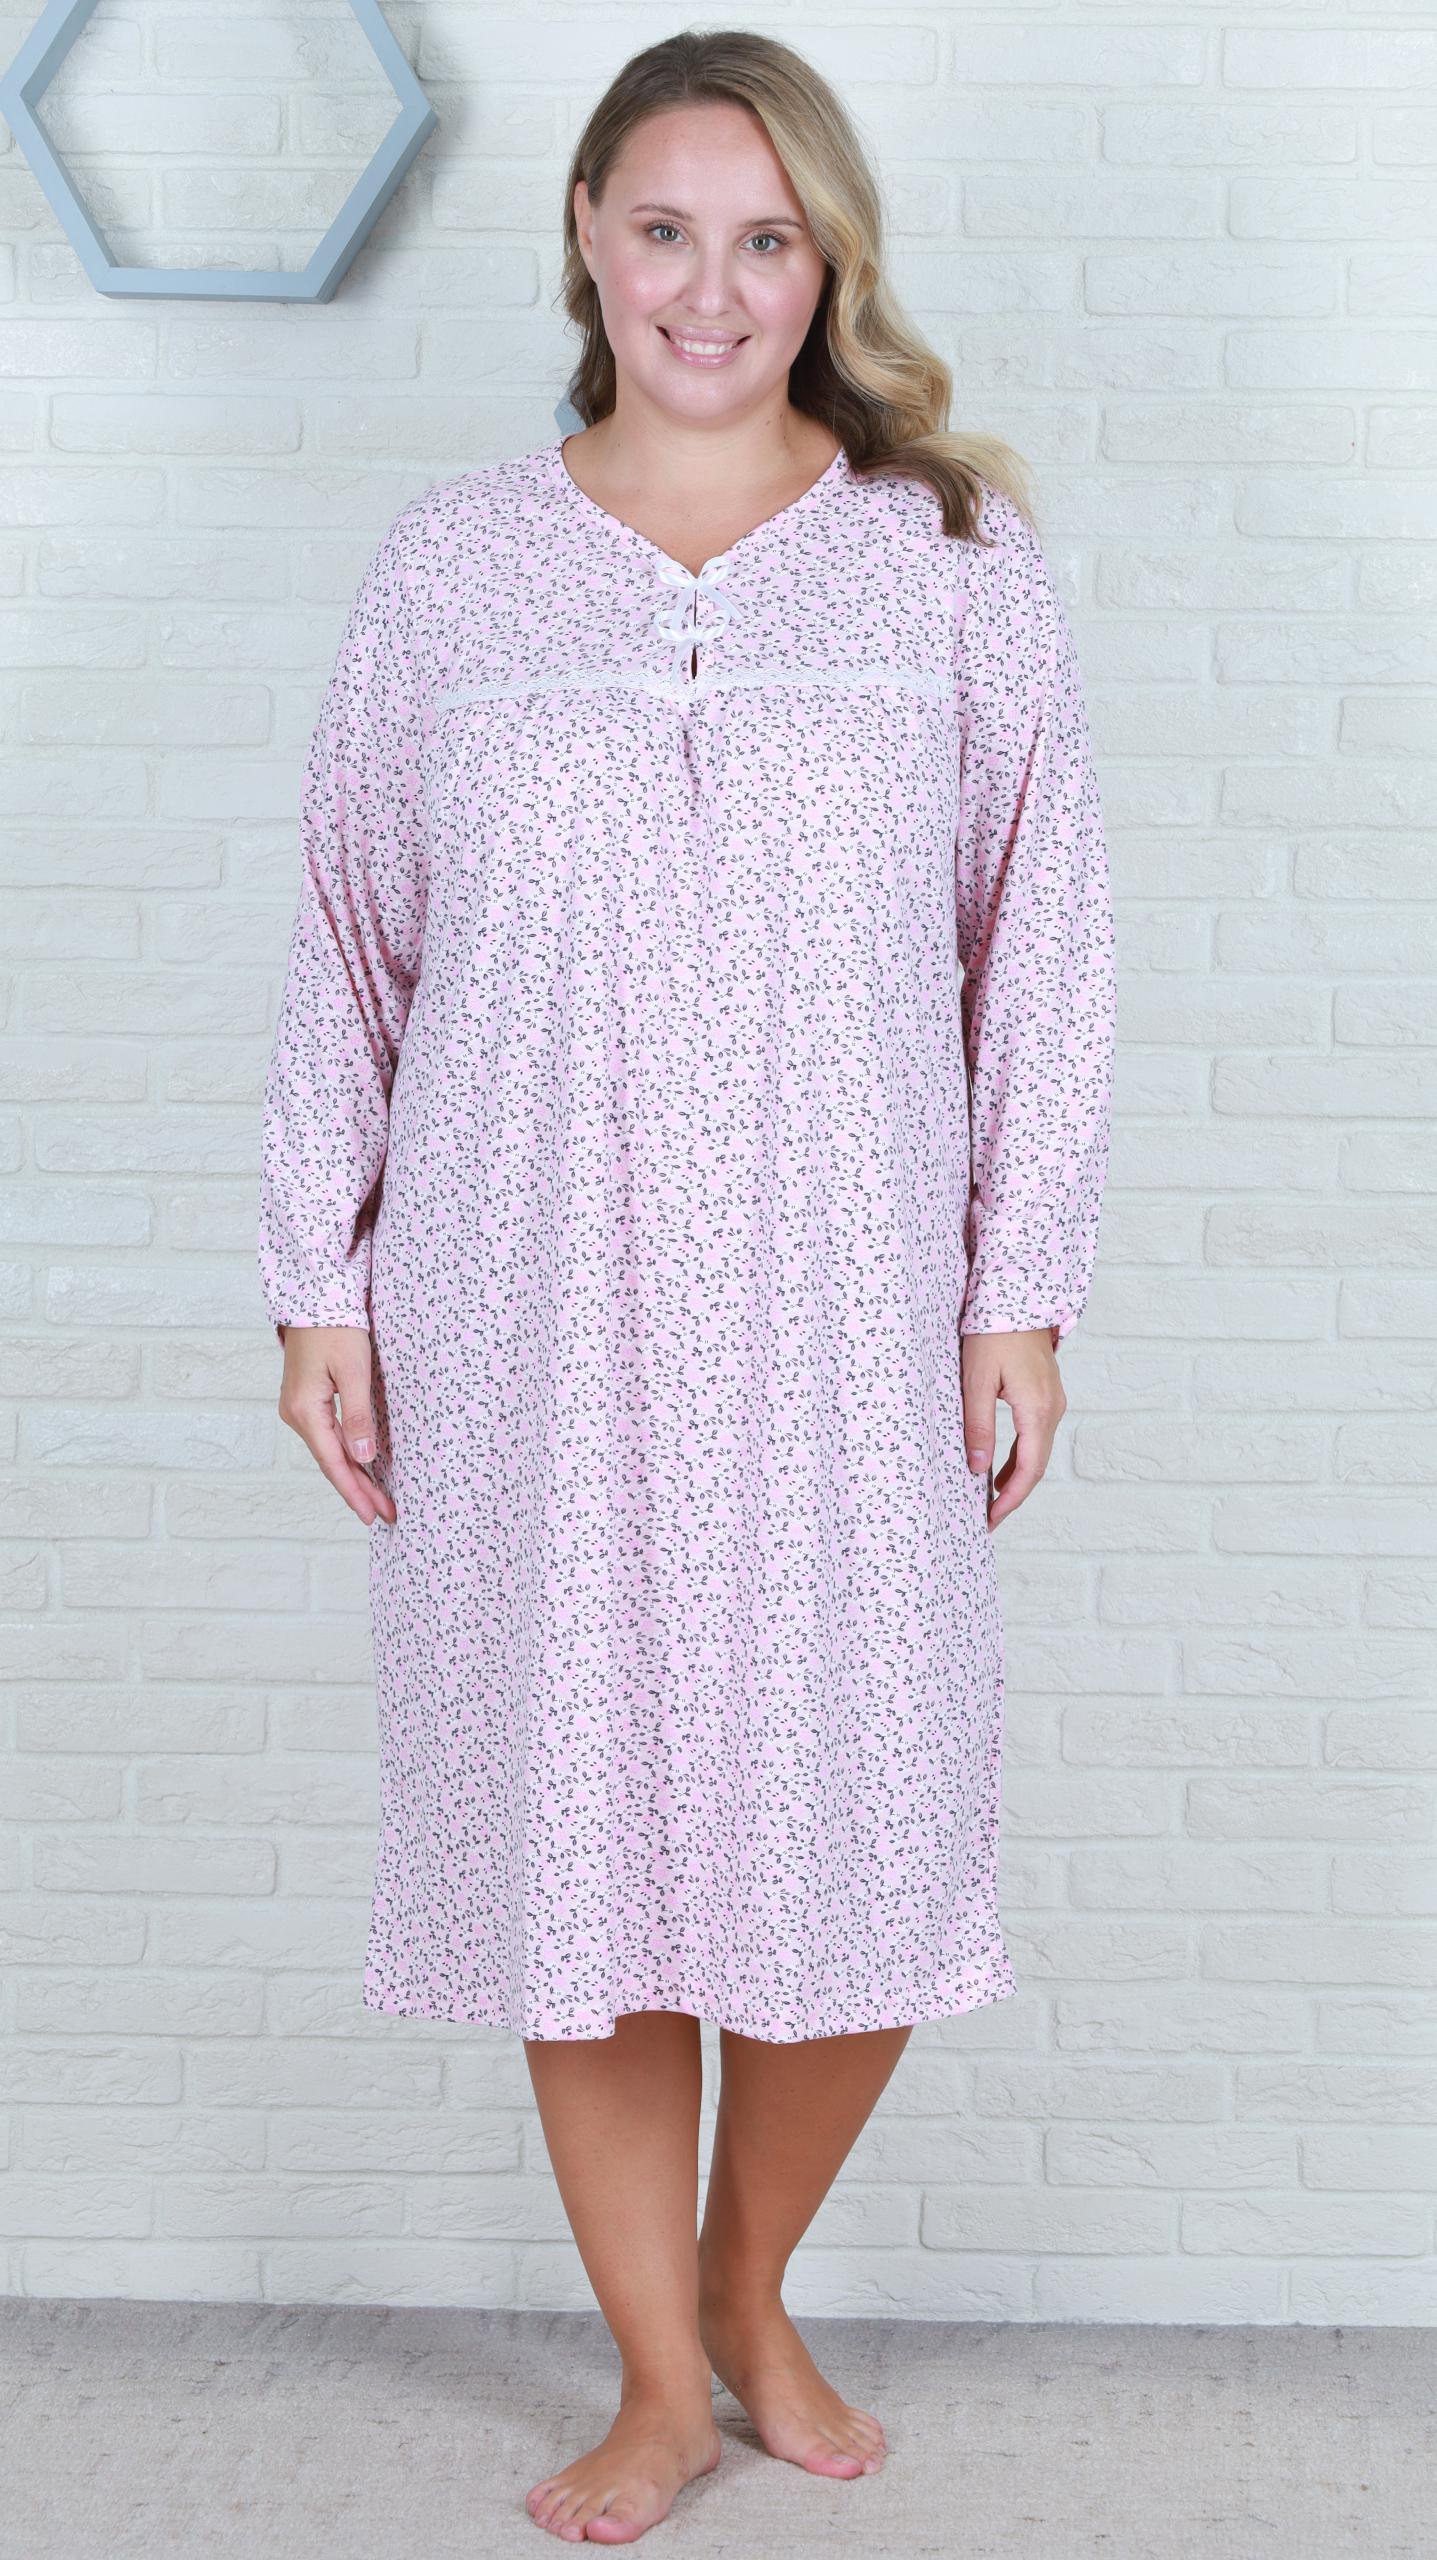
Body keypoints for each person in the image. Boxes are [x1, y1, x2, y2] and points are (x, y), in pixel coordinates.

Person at [257, 26, 1116, 2549]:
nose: (710, 289)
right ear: (584, 240)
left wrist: (1018, 1286)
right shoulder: (449, 573)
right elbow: (344, 941)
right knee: (580, 1840)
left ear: (825, 264)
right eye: (663, 230)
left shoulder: (947, 565)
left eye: (763, 240)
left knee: (859, 1818)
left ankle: (748, 2282)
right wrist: (318, 1275)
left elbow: (1041, 946)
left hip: (843, 1310)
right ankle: (655, 2375)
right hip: (517, 1304)